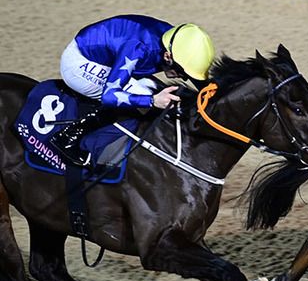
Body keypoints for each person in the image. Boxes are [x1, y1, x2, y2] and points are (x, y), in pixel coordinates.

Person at [50, 15, 216, 167]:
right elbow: (110, 95)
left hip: (108, 57)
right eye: (181, 72)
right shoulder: (139, 48)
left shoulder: (176, 44)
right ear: (167, 57)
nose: (184, 78)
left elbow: (191, 70)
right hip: (80, 63)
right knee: (145, 93)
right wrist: (152, 100)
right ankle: (69, 136)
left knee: (153, 88)